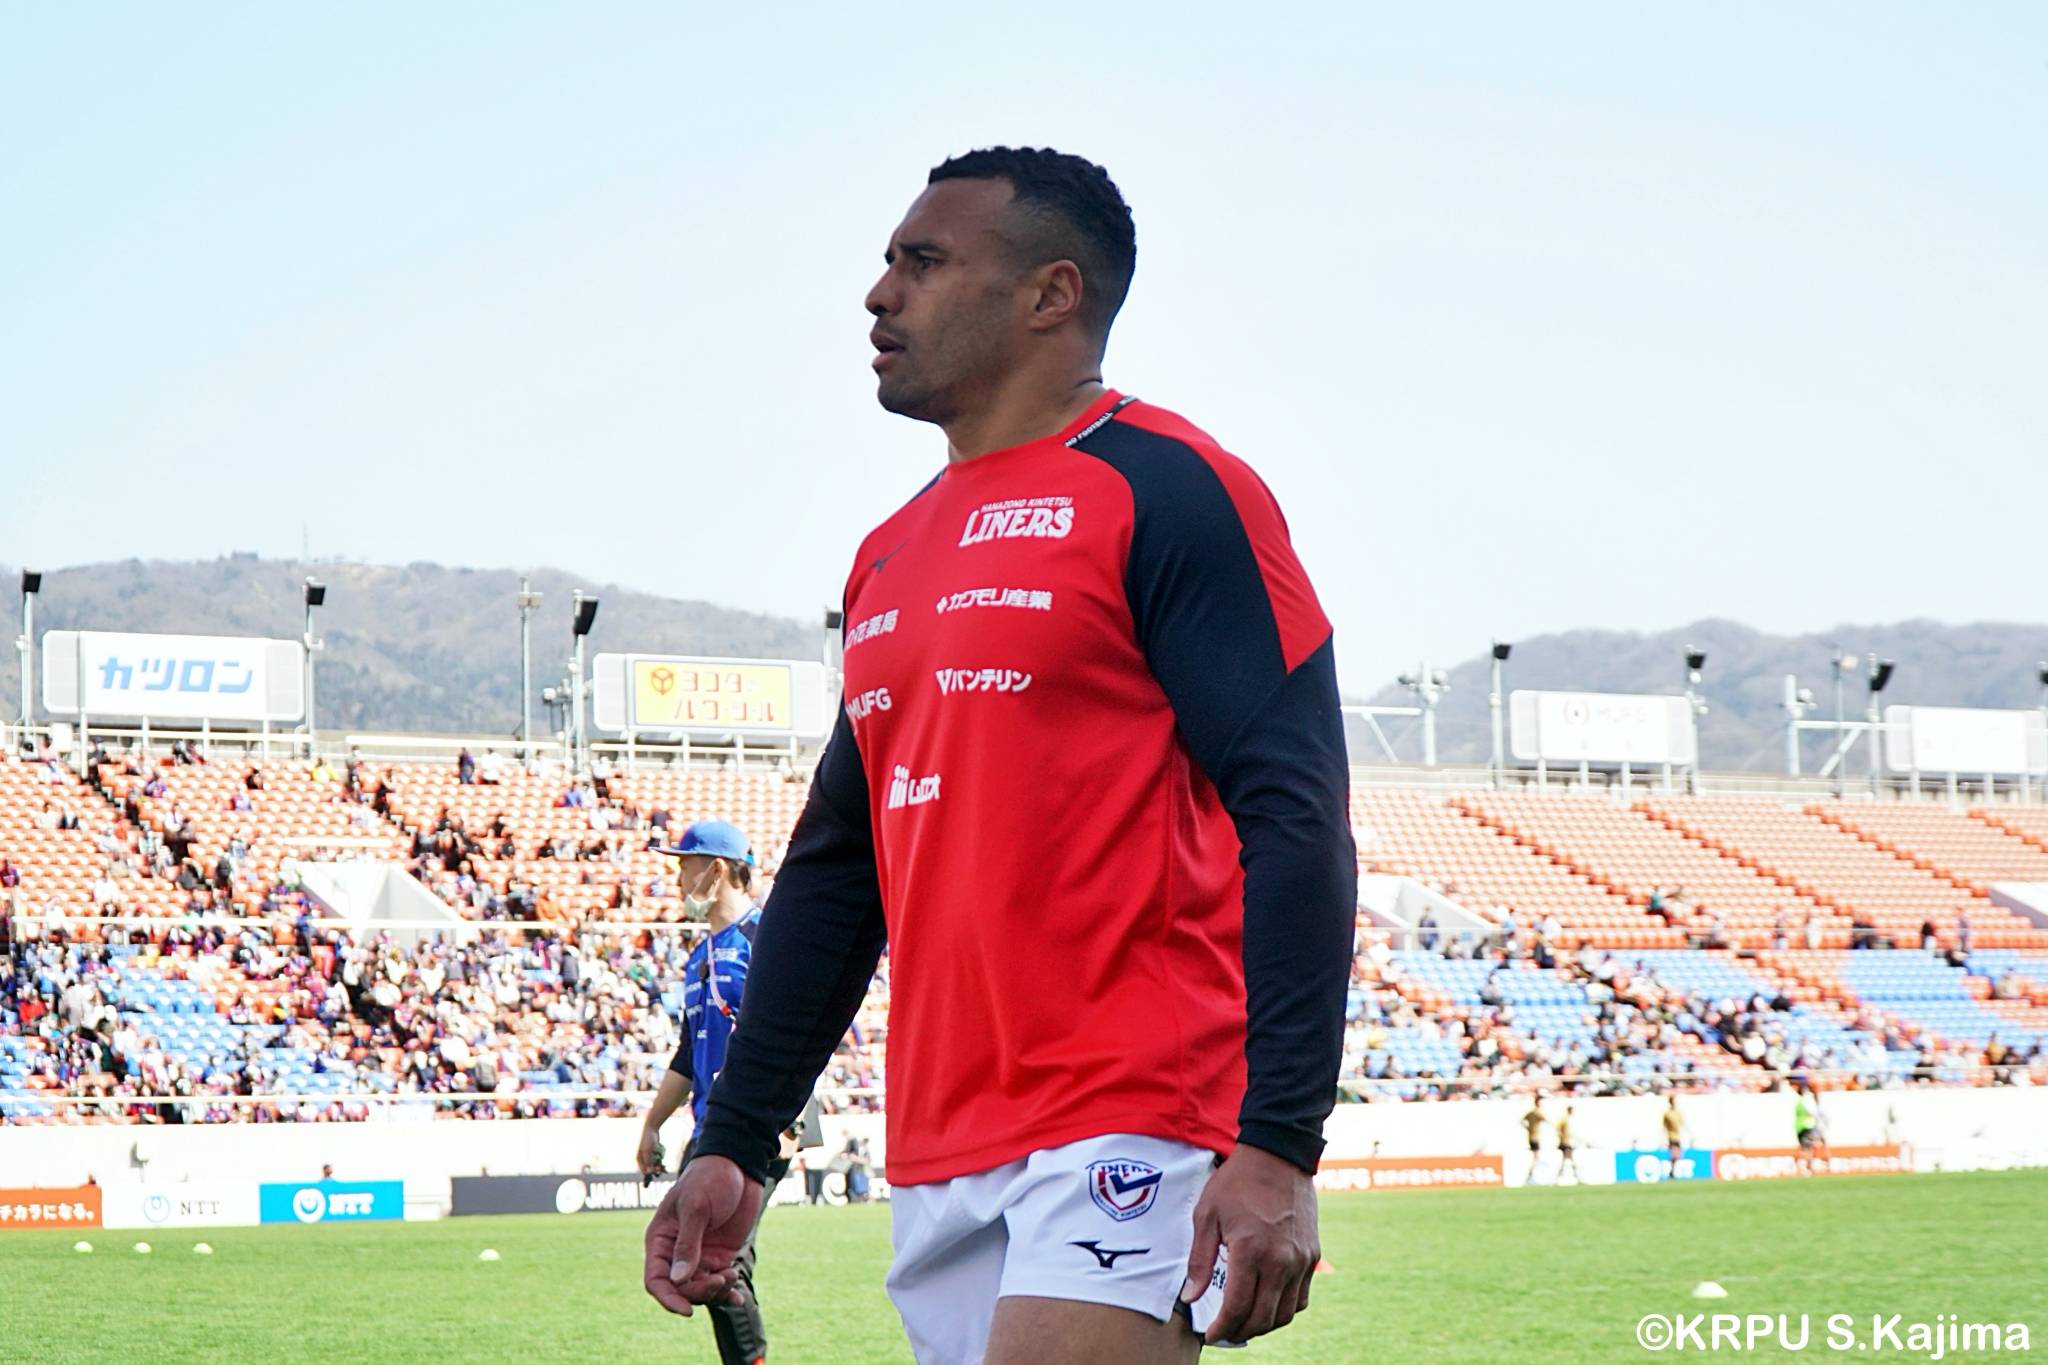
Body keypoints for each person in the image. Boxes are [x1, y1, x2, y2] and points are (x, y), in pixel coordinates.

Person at [645, 146, 1355, 1363]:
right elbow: (838, 869)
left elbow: (1296, 815)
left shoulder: (1170, 489)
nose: (878, 294)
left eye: (922, 263)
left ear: (1049, 294)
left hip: (1131, 1108)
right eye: (887, 263)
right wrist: (738, 1139)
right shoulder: (887, 552)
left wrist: (1281, 1139)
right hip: (942, 1141)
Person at [634, 821, 787, 1365]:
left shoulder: (765, 939)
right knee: (698, 1260)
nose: (678, 878)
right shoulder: (700, 957)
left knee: (722, 1261)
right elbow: (687, 1053)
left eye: (685, 865)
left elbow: (798, 1031)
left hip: (760, 1123)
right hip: (709, 1127)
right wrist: (652, 1123)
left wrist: (790, 1119)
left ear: (717, 870)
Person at [1521, 1102, 1547, 1186]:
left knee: (1536, 1158)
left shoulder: (1530, 1112)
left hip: (1531, 1138)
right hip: (1535, 1138)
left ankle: (1532, 1177)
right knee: (1536, 1159)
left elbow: (1521, 1121)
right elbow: (1546, 1119)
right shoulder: (1537, 1112)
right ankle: (1530, 1177)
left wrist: (1528, 1128)